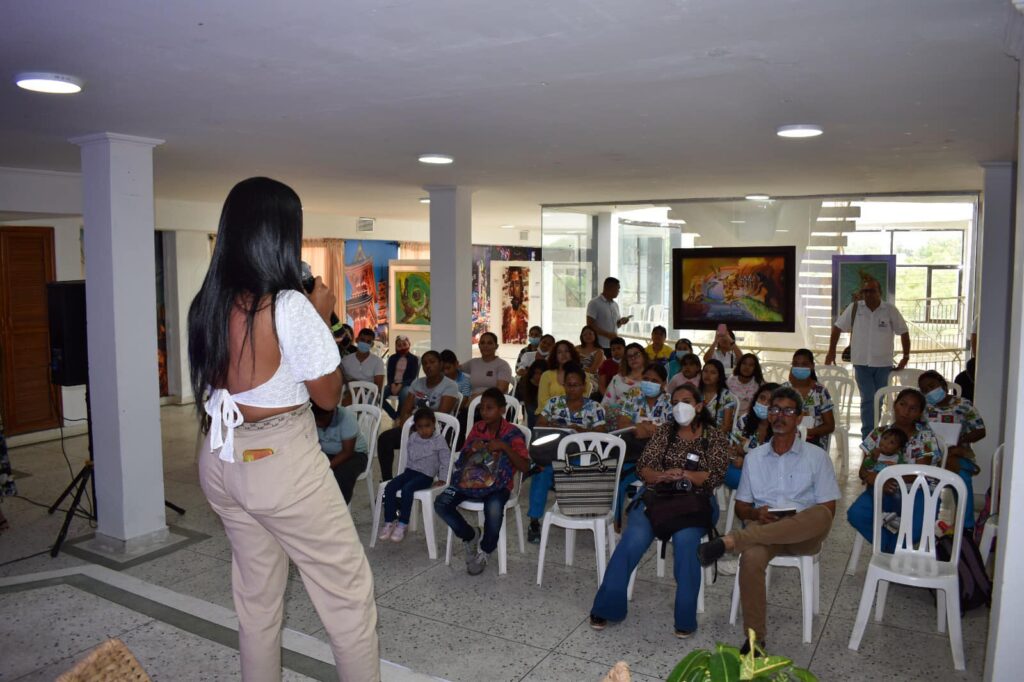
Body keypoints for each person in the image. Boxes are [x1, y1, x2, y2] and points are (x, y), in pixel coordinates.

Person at [188, 177, 378, 681]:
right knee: (348, 596)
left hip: (220, 457)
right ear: (280, 235)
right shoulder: (288, 306)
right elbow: (328, 396)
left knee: (256, 599)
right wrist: (320, 316)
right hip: (278, 463)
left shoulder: (207, 302)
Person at [697, 386, 840, 653]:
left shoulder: (817, 457)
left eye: (788, 411)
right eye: (774, 409)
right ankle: (755, 639)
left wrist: (790, 522)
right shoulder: (754, 458)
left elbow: (829, 508)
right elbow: (742, 507)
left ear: (799, 417)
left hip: (803, 533)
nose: (779, 416)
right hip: (764, 527)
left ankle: (731, 541)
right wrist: (755, 514)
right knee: (751, 558)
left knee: (820, 514)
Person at [590, 383, 730, 637]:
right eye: (675, 402)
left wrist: (685, 474)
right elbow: (643, 467)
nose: (680, 407)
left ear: (699, 406)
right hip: (658, 498)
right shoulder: (665, 431)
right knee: (632, 539)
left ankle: (685, 618)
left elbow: (715, 475)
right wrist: (662, 476)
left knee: (686, 542)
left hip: (695, 503)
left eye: (686, 401)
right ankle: (608, 606)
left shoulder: (714, 436)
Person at [434, 388, 530, 575]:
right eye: (482, 408)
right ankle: (470, 535)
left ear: (502, 410)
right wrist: (471, 449)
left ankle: (485, 550)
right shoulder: (478, 428)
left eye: (489, 408)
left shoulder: (513, 433)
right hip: (470, 480)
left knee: (493, 509)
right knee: (441, 503)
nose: (484, 412)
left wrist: (504, 447)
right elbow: (462, 459)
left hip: (499, 485)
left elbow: (525, 466)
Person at [846, 388, 941, 552]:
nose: (906, 411)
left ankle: (892, 551)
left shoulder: (926, 436)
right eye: (902, 404)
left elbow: (922, 471)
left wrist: (885, 477)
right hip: (883, 490)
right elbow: (863, 471)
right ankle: (889, 548)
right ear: (894, 405)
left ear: (920, 413)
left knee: (917, 527)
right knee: (856, 514)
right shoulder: (879, 433)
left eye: (913, 408)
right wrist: (870, 477)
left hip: (919, 491)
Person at [527, 363, 607, 542]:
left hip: (582, 456)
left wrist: (579, 430)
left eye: (576, 385)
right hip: (553, 453)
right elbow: (539, 426)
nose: (572, 389)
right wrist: (553, 426)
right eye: (569, 385)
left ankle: (577, 510)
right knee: (541, 471)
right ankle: (534, 520)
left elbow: (602, 434)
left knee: (577, 469)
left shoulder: (594, 407)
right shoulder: (554, 403)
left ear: (584, 386)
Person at [825, 277, 911, 438]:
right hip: (861, 363)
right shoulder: (855, 308)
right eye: (865, 291)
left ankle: (874, 433)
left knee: (878, 399)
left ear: (879, 292)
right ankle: (868, 436)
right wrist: (831, 351)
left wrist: (906, 356)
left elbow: (904, 332)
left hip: (883, 364)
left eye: (872, 291)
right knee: (868, 398)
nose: (868, 294)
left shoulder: (890, 310)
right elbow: (837, 328)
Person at [376, 350, 461, 481]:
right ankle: (387, 481)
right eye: (425, 363)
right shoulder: (417, 383)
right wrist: (405, 428)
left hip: (438, 431)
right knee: (384, 439)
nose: (428, 366)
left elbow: (441, 414)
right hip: (415, 428)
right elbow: (406, 410)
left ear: (440, 364)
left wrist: (419, 429)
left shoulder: (450, 385)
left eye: (432, 362)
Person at [919, 369, 986, 531]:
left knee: (962, 477)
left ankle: (966, 525)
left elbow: (980, 431)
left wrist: (959, 441)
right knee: (925, 478)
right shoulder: (923, 408)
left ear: (943, 385)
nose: (929, 391)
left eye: (931, 386)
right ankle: (926, 523)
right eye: (924, 390)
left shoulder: (963, 405)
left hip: (957, 452)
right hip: (930, 453)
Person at [378, 407, 451, 543]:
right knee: (390, 486)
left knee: (407, 489)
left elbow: (445, 460)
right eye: (420, 427)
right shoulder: (413, 437)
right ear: (415, 427)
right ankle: (389, 521)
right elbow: (409, 457)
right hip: (410, 472)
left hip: (426, 476)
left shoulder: (439, 440)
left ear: (434, 424)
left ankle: (403, 523)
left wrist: (443, 478)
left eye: (427, 426)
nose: (424, 430)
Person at [727, 382, 781, 492]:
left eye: (770, 402)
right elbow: (736, 448)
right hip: (746, 470)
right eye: (762, 398)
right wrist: (734, 456)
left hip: (773, 474)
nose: (764, 404)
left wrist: (747, 460)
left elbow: (778, 461)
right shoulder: (744, 420)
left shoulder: (783, 426)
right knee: (727, 473)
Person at [314, 404, 369, 504]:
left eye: (320, 420)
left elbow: (347, 452)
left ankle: (338, 507)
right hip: (327, 453)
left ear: (331, 413)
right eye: (316, 419)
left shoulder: (345, 417)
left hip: (355, 453)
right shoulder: (311, 417)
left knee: (342, 474)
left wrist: (327, 467)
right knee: (309, 470)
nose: (318, 423)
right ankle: (317, 504)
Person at [782, 349, 835, 451]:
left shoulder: (820, 391)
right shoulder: (784, 390)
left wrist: (806, 432)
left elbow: (830, 426)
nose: (799, 368)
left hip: (814, 441)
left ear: (812, 366)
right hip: (787, 439)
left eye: (804, 364)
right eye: (796, 364)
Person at [537, 340, 590, 414]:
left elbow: (583, 400)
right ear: (555, 356)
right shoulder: (546, 375)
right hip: (548, 415)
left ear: (572, 354)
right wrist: (559, 414)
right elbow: (543, 401)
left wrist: (567, 415)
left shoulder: (584, 375)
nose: (563, 354)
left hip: (575, 416)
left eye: (567, 351)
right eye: (559, 352)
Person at [602, 342, 648, 421]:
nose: (633, 358)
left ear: (644, 356)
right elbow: (607, 403)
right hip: (619, 419)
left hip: (645, 420)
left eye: (636, 354)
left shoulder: (653, 378)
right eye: (629, 356)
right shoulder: (617, 379)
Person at [341, 327, 386, 404]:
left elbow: (378, 387)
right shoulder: (346, 360)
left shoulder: (378, 362)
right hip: (348, 392)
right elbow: (341, 381)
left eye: (368, 342)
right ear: (357, 340)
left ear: (372, 344)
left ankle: (343, 410)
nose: (365, 343)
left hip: (369, 395)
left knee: (356, 394)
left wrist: (360, 387)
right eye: (362, 340)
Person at [462, 332, 512, 397]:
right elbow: (454, 368)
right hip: (473, 400)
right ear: (479, 345)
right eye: (482, 343)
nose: (485, 346)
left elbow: (500, 390)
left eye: (489, 343)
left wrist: (478, 397)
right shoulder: (473, 363)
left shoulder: (503, 365)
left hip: (494, 401)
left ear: (496, 346)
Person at [586, 277, 631, 350]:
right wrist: (607, 335)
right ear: (609, 287)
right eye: (617, 288)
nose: (618, 291)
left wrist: (620, 322)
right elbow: (590, 325)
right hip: (599, 345)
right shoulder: (594, 303)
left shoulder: (615, 305)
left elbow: (616, 325)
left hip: (613, 346)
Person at [382, 335, 419, 419]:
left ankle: (400, 416)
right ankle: (395, 416)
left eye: (404, 344)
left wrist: (400, 385)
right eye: (399, 345)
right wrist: (392, 384)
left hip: (406, 385)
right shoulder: (392, 358)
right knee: (379, 396)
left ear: (409, 344)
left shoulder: (414, 359)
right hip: (392, 384)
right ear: (396, 346)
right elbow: (390, 374)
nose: (402, 347)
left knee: (404, 395)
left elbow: (412, 377)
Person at [699, 358, 738, 436]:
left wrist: (708, 437)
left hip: (718, 437)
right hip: (696, 436)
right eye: (705, 371)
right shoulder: (695, 393)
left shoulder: (727, 397)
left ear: (719, 377)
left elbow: (726, 427)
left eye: (713, 372)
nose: (708, 375)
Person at [515, 358, 548, 429]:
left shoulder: (550, 384)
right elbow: (514, 399)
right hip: (533, 421)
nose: (538, 376)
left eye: (541, 373)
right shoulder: (525, 382)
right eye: (536, 373)